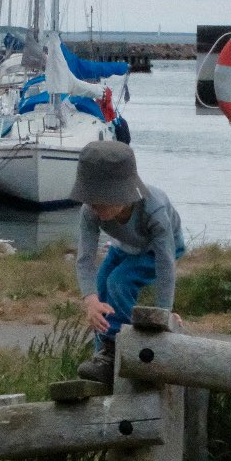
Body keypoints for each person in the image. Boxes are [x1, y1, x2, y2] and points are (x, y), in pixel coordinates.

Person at [70, 140, 185, 386]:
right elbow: (85, 258)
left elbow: (166, 264)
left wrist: (164, 312)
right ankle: (102, 353)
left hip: (157, 249)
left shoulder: (154, 210)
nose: (95, 206)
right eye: (91, 200)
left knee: (119, 282)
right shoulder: (91, 211)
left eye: (102, 200)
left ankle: (120, 353)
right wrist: (90, 300)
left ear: (124, 195)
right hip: (126, 247)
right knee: (101, 283)